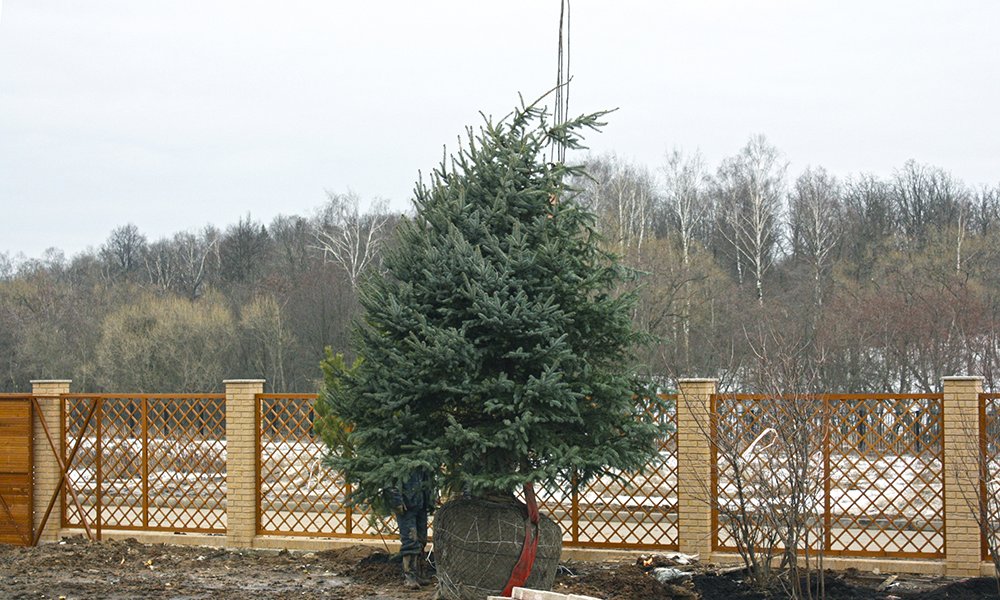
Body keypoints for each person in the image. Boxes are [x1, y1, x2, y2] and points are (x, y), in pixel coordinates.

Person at [387, 470, 434, 589]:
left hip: (421, 504)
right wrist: (397, 502)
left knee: (421, 539)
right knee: (410, 540)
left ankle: (419, 573)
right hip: (407, 506)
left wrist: (430, 499)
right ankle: (410, 576)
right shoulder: (401, 459)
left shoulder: (422, 463)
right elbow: (391, 482)